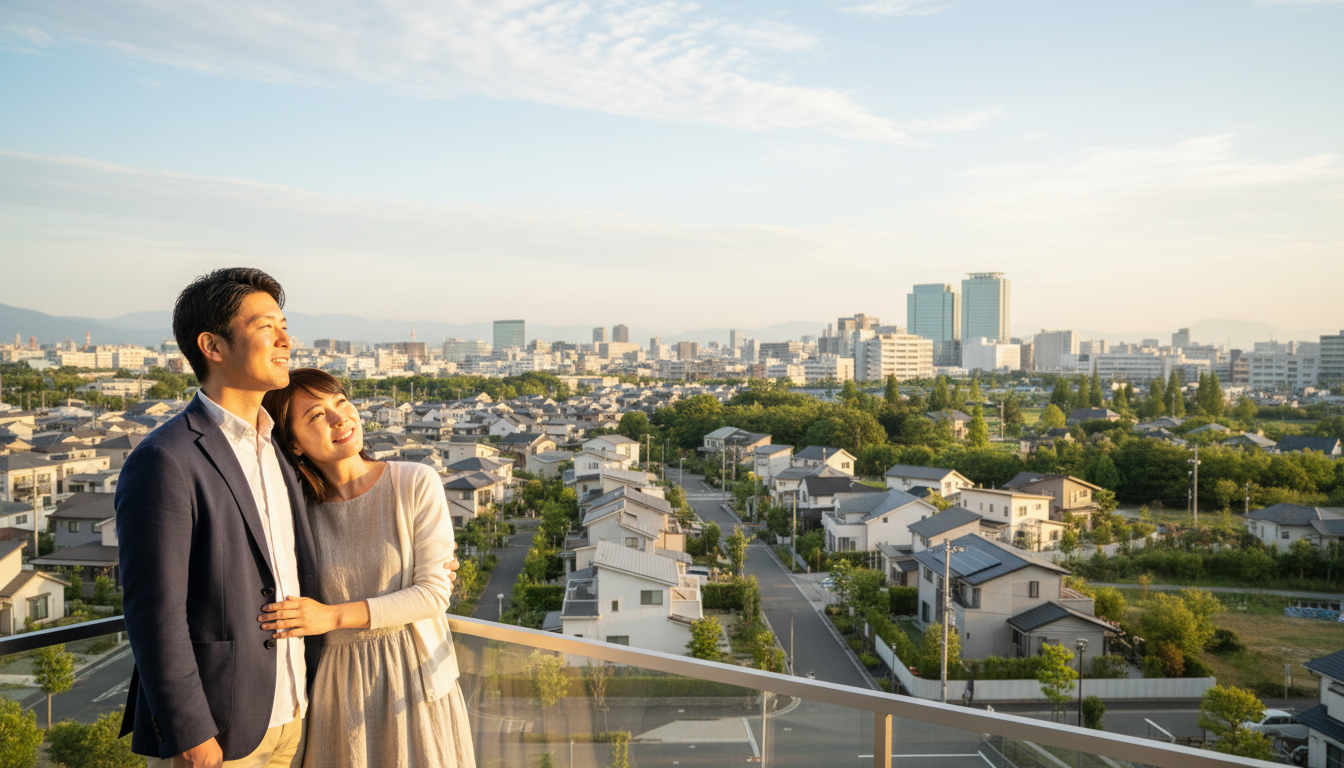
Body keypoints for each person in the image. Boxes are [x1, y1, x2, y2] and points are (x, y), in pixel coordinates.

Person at [116, 268, 318, 767]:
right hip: (218, 729)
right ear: (213, 345)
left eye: (285, 325)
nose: (286, 339)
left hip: (292, 709)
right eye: (266, 326)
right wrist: (189, 733)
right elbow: (153, 611)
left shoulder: (277, 447)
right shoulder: (167, 457)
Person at [257, 368, 475, 768]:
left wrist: (331, 615)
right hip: (335, 688)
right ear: (294, 444)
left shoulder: (414, 483)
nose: (340, 418)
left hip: (414, 678)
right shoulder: (296, 514)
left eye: (340, 402)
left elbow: (433, 595)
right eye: (317, 416)